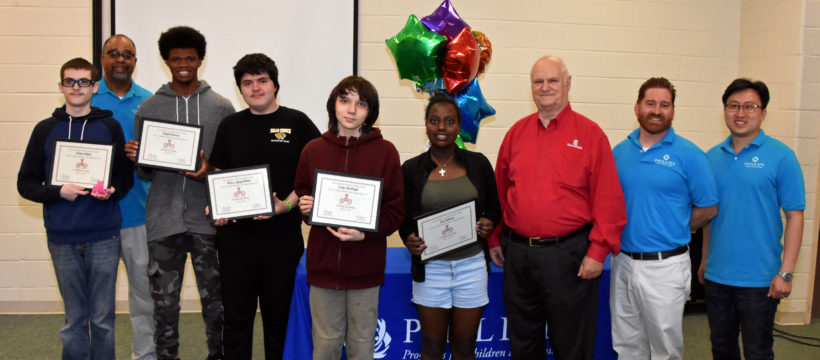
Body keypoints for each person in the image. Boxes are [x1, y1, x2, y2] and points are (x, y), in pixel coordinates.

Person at [487, 55, 626, 360]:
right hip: (519, 256)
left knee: (571, 345)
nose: (545, 87)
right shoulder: (516, 134)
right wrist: (495, 237)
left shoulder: (591, 135)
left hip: (570, 256)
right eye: (538, 81)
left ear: (568, 84)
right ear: (531, 87)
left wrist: (598, 250)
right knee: (523, 342)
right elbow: (499, 191)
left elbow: (608, 199)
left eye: (552, 80)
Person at [126, 26, 235, 360]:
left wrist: (209, 173)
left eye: (190, 58)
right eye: (176, 59)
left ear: (200, 60)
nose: (183, 64)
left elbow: (230, 168)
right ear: (166, 61)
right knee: (165, 310)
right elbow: (146, 172)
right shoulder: (149, 108)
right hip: (163, 223)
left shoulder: (221, 107)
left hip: (208, 223)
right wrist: (138, 158)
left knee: (216, 307)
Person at [17, 57, 133, 359]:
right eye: (70, 81)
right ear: (61, 86)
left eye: (83, 82)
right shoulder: (45, 129)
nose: (76, 87)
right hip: (62, 237)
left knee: (104, 320)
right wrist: (57, 192)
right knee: (74, 320)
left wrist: (113, 190)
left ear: (95, 87)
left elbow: (123, 176)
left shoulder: (110, 127)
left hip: (104, 235)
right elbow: (25, 183)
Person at [208, 53, 320, 360]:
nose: (255, 88)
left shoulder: (296, 122)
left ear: (274, 84)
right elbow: (218, 173)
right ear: (240, 89)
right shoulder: (230, 125)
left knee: (280, 320)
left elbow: (314, 175)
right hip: (235, 243)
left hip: (281, 242)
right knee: (236, 320)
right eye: (247, 83)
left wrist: (286, 205)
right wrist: (216, 205)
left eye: (262, 80)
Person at [294, 76, 404, 360]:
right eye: (345, 101)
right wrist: (305, 208)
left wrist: (364, 233)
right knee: (326, 345)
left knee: (362, 345)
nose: (352, 110)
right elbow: (304, 197)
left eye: (361, 104)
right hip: (323, 267)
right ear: (334, 105)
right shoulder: (312, 150)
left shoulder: (386, 152)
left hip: (365, 269)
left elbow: (395, 211)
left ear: (371, 111)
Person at [610, 77, 718, 359]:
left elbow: (708, 208)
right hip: (621, 263)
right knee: (626, 344)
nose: (657, 110)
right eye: (650, 103)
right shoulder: (619, 152)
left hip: (665, 267)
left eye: (665, 105)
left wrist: (675, 226)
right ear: (637, 107)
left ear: (672, 110)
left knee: (665, 350)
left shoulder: (691, 155)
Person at [699, 78, 805, 360]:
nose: (740, 113)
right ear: (724, 111)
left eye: (749, 106)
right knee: (721, 349)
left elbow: (795, 216)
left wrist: (786, 271)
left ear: (763, 112)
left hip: (761, 279)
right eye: (733, 106)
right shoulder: (711, 158)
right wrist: (705, 261)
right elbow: (709, 216)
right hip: (717, 276)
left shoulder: (782, 157)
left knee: (758, 351)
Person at [398, 93, 500, 360]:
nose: (441, 127)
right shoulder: (410, 169)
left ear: (458, 126)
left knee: (465, 346)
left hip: (471, 267)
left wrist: (489, 222)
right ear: (426, 125)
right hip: (431, 269)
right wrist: (409, 237)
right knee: (431, 346)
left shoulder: (478, 164)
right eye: (434, 121)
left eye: (449, 121)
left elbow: (494, 208)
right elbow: (403, 219)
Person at [90, 33, 156, 360]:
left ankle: (145, 356)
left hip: (139, 216)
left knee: (144, 298)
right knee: (97, 303)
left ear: (135, 61)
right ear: (102, 58)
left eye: (127, 54)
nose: (120, 59)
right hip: (94, 218)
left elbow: (164, 158)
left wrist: (146, 154)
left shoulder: (150, 102)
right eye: (112, 53)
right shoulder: (85, 99)